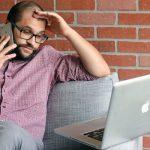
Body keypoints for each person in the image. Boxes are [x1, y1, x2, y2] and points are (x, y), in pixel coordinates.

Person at [0, 1, 110, 150]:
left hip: (25, 143)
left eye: (39, 36)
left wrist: (67, 32)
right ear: (7, 27)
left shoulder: (47, 60)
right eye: (26, 31)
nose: (32, 42)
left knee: (8, 131)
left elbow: (101, 70)